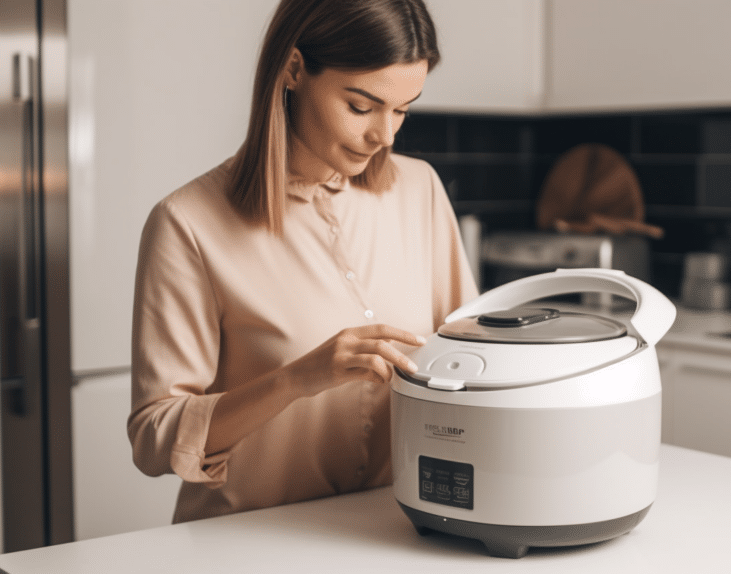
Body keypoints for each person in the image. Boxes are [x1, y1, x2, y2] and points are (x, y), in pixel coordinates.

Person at [128, 0, 478, 524]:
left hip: (394, 535)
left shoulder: (419, 190)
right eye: (361, 106)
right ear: (294, 71)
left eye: (402, 109)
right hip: (246, 546)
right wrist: (295, 380)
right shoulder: (187, 223)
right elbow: (155, 438)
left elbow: (470, 359)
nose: (386, 134)